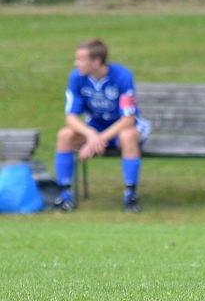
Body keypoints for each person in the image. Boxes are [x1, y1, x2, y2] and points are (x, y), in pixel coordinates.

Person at [54, 38, 150, 212]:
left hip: (123, 128)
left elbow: (128, 120)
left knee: (128, 136)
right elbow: (71, 118)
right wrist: (90, 135)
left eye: (81, 59)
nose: (77, 63)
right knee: (65, 135)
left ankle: (130, 196)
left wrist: (97, 140)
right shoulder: (76, 77)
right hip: (96, 128)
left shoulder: (122, 75)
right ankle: (64, 196)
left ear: (96, 61)